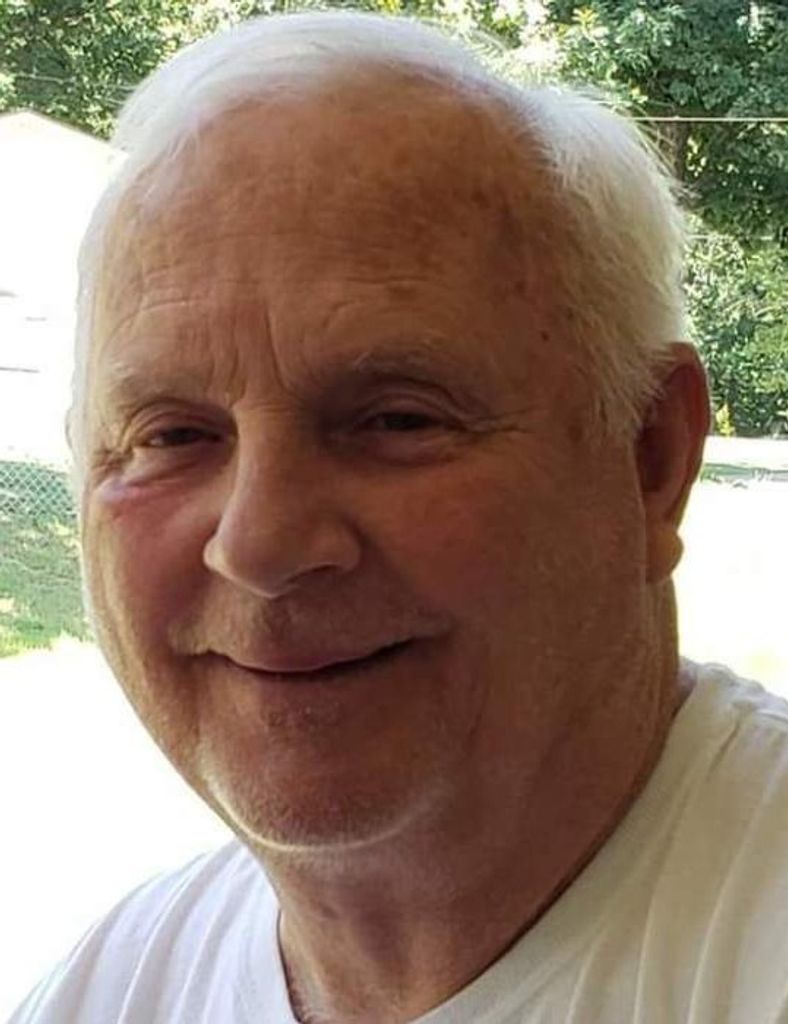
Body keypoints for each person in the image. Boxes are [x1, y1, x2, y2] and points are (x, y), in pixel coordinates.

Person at [11, 11, 788, 1024]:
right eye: (173, 435)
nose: (258, 544)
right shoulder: (111, 990)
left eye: (396, 418)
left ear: (649, 458)